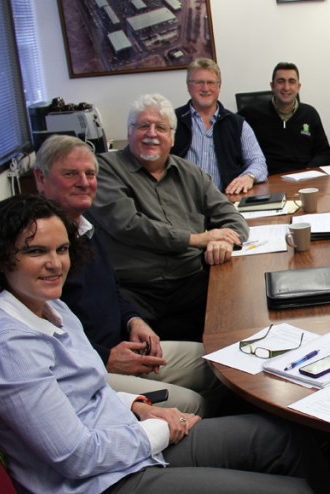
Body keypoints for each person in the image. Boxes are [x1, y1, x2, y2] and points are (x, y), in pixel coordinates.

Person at [0, 195, 328, 494]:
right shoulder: (7, 347)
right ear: (1, 257)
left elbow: (86, 391)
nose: (55, 263)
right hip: (98, 490)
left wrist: (139, 406)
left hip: (123, 446)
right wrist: (159, 430)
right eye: (36, 251)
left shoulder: (45, 304)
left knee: (281, 437)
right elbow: (76, 458)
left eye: (62, 249)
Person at [33, 134, 221, 415]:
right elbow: (44, 337)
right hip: (89, 366)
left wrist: (135, 321)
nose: (84, 182)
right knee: (192, 404)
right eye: (70, 174)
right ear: (40, 178)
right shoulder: (37, 245)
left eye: (90, 174)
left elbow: (113, 290)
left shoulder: (86, 229)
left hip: (125, 345)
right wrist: (107, 357)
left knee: (222, 364)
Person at [90, 93, 248, 343]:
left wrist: (225, 241)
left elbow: (231, 215)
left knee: (244, 320)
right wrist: (199, 239)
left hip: (190, 283)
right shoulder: (105, 169)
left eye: (161, 128)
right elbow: (129, 225)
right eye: (143, 126)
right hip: (135, 291)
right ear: (129, 132)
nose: (151, 134)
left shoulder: (190, 173)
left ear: (172, 138)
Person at [171, 58, 268, 194]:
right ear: (188, 86)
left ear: (219, 87)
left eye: (211, 82)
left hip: (225, 202)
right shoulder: (170, 122)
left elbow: (258, 161)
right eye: (199, 82)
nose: (205, 88)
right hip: (181, 204)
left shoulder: (237, 124)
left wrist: (248, 177)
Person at [240, 62, 330, 173]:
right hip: (267, 179)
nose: (286, 87)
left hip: (305, 179)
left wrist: (309, 171)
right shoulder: (251, 114)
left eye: (292, 82)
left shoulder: (310, 114)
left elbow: (324, 153)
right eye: (281, 81)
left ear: (298, 87)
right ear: (272, 86)